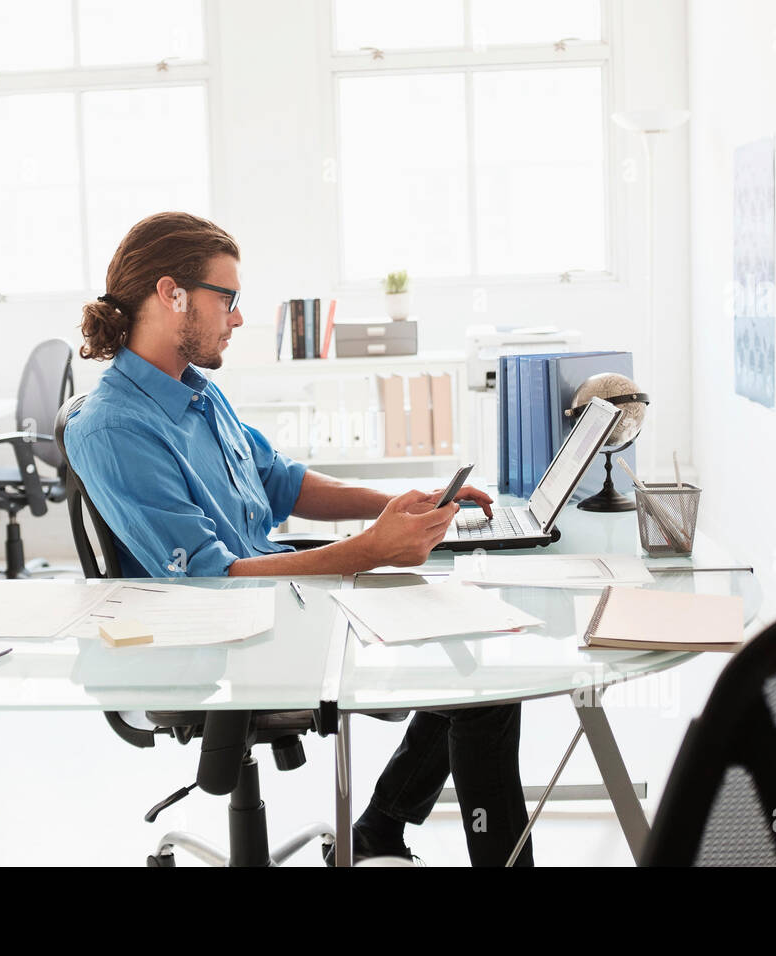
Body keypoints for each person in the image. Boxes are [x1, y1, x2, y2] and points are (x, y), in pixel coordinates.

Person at [65, 211, 532, 866]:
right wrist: (370, 551)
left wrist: (393, 505)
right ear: (172, 296)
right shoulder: (113, 426)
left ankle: (379, 829)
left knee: (468, 653)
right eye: (226, 299)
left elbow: (280, 481)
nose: (236, 317)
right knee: (480, 693)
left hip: (281, 597)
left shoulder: (196, 390)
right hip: (226, 640)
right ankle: (387, 828)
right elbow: (208, 580)